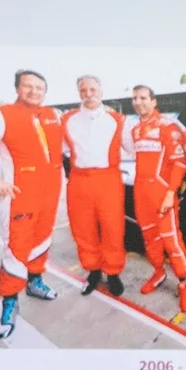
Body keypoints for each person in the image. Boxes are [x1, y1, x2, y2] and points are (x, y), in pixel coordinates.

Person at [0, 69, 64, 339]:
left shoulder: (53, 115)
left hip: (50, 194)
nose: (34, 91)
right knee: (16, 248)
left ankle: (35, 282)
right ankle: (9, 301)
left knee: (42, 241)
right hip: (20, 195)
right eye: (27, 86)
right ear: (17, 88)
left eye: (39, 87)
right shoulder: (1, 114)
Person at [125, 84, 186, 322]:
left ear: (154, 101)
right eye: (135, 98)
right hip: (141, 193)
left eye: (143, 98)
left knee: (171, 241)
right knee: (149, 238)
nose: (138, 102)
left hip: (162, 194)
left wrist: (170, 193)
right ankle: (158, 273)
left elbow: (179, 163)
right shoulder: (136, 129)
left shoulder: (168, 126)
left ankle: (184, 283)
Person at [61, 75, 127, 297]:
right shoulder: (67, 120)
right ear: (79, 93)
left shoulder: (117, 120)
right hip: (79, 180)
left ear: (101, 91)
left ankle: (113, 273)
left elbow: (135, 148)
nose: (88, 94)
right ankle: (94, 271)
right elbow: (53, 149)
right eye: (83, 90)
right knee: (83, 229)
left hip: (108, 180)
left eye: (92, 89)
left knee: (112, 228)